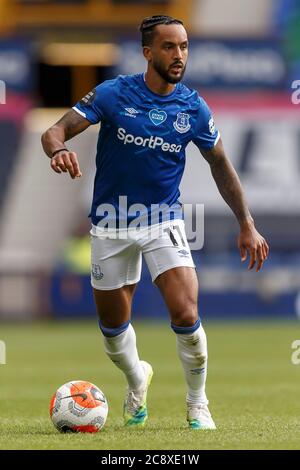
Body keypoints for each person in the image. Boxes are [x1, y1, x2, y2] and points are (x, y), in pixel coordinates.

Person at [41, 15, 269, 430]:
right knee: (112, 330)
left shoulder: (193, 107)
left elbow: (221, 165)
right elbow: (54, 132)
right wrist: (57, 151)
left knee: (185, 312)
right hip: (110, 224)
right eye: (169, 47)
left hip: (162, 219)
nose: (178, 55)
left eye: (183, 46)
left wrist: (246, 223)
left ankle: (198, 403)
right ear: (148, 52)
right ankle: (136, 379)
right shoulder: (113, 94)